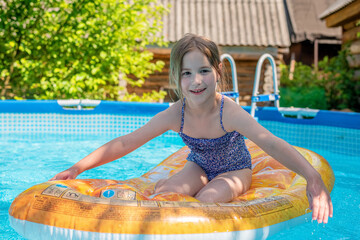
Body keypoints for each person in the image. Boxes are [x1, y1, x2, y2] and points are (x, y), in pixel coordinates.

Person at [51, 33, 333, 224]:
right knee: (165, 195)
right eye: (186, 73)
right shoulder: (177, 114)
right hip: (198, 166)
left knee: (208, 200)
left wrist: (312, 178)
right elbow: (127, 142)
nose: (196, 81)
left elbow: (269, 143)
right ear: (177, 77)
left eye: (203, 71)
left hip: (235, 171)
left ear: (218, 71)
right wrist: (78, 168)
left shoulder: (229, 113)